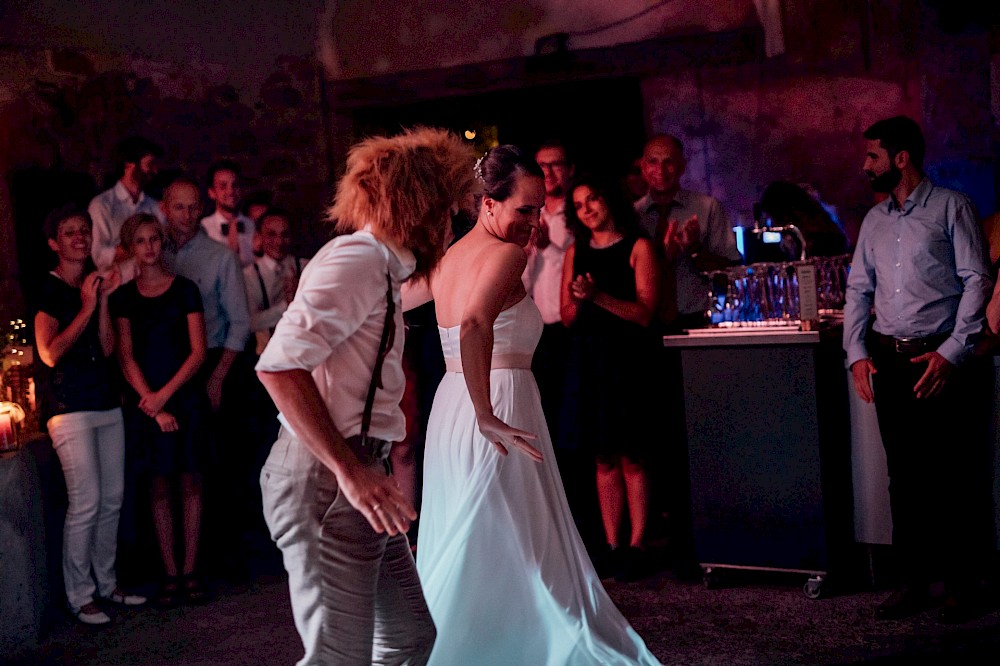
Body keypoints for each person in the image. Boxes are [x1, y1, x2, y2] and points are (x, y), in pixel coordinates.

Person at [408, 145, 661, 665]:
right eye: (524, 209)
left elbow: (396, 297)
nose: (534, 220)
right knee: (508, 531)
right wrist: (486, 412)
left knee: (483, 526)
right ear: (488, 204)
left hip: (452, 406)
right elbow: (476, 323)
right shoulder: (505, 255)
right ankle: (507, 644)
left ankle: (468, 641)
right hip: (494, 404)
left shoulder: (451, 256)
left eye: (540, 207)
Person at [256, 126, 476, 665]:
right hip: (326, 478)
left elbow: (421, 287)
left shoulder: (381, 268)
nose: (452, 222)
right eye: (448, 210)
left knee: (407, 638)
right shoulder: (355, 260)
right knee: (338, 658)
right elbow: (280, 368)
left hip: (359, 475)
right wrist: (351, 474)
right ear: (422, 208)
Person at [843, 114, 995, 624]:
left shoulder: (953, 207)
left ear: (900, 158)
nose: (865, 166)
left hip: (942, 359)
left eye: (873, 156)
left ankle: (961, 586)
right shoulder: (874, 220)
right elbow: (858, 289)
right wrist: (857, 354)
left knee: (955, 476)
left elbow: (977, 279)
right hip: (891, 358)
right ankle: (913, 583)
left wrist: (952, 352)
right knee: (904, 478)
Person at [33, 206, 147, 626]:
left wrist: (101, 300)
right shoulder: (48, 290)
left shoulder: (94, 283)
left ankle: (106, 583)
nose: (79, 238)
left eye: (83, 230)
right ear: (54, 243)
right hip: (69, 408)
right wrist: (84, 304)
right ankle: (80, 595)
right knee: (87, 502)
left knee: (113, 499)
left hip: (105, 400)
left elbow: (107, 346)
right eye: (69, 232)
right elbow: (49, 353)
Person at [559, 171, 661, 582]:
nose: (587, 210)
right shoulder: (574, 252)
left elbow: (644, 313)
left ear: (609, 200)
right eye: (579, 205)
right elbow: (565, 317)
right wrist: (584, 302)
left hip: (629, 361)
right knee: (602, 457)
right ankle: (611, 543)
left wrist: (598, 297)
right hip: (590, 361)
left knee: (632, 455)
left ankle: (638, 544)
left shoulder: (639, 247)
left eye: (593, 200)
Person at [110, 213, 210, 607]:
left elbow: (198, 351)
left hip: (182, 396)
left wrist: (164, 397)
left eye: (154, 239)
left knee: (190, 481)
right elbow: (125, 355)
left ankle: (191, 571)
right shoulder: (122, 299)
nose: (149, 247)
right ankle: (169, 574)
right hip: (145, 400)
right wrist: (151, 403)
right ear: (130, 248)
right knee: (157, 486)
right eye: (141, 241)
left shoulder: (185, 289)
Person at [159, 177, 255, 581]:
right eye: (178, 207)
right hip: (163, 365)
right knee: (168, 471)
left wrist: (216, 379)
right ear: (165, 208)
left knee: (216, 467)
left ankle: (221, 562)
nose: (186, 214)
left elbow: (240, 323)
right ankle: (174, 564)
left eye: (192, 206)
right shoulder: (153, 252)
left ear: (201, 208)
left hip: (214, 362)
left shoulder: (219, 257)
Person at [633, 133, 741, 331]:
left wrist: (694, 250)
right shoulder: (633, 215)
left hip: (696, 320)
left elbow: (731, 273)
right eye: (653, 162)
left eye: (669, 162)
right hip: (646, 325)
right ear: (642, 167)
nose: (660, 170)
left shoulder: (707, 208)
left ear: (682, 166)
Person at [522, 140, 574, 444]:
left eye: (555, 164)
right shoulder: (529, 214)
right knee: (545, 414)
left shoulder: (580, 212)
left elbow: (577, 263)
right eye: (542, 166)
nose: (549, 172)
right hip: (537, 330)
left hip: (571, 326)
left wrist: (548, 248)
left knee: (572, 416)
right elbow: (525, 280)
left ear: (569, 170)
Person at [88, 136, 164, 282]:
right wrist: (136, 246)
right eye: (150, 164)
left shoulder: (153, 206)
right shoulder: (102, 205)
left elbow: (164, 249)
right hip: (116, 291)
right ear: (130, 165)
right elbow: (99, 256)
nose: (155, 171)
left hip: (151, 290)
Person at [243, 208, 309, 356]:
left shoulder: (307, 267)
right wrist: (287, 305)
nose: (279, 242)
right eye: (271, 235)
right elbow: (249, 323)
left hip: (302, 354)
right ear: (259, 237)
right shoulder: (248, 275)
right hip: (264, 357)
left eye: (284, 235)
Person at [200, 159, 255, 267]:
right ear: (211, 192)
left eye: (235, 185)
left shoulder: (251, 225)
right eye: (223, 186)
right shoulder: (204, 228)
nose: (231, 191)